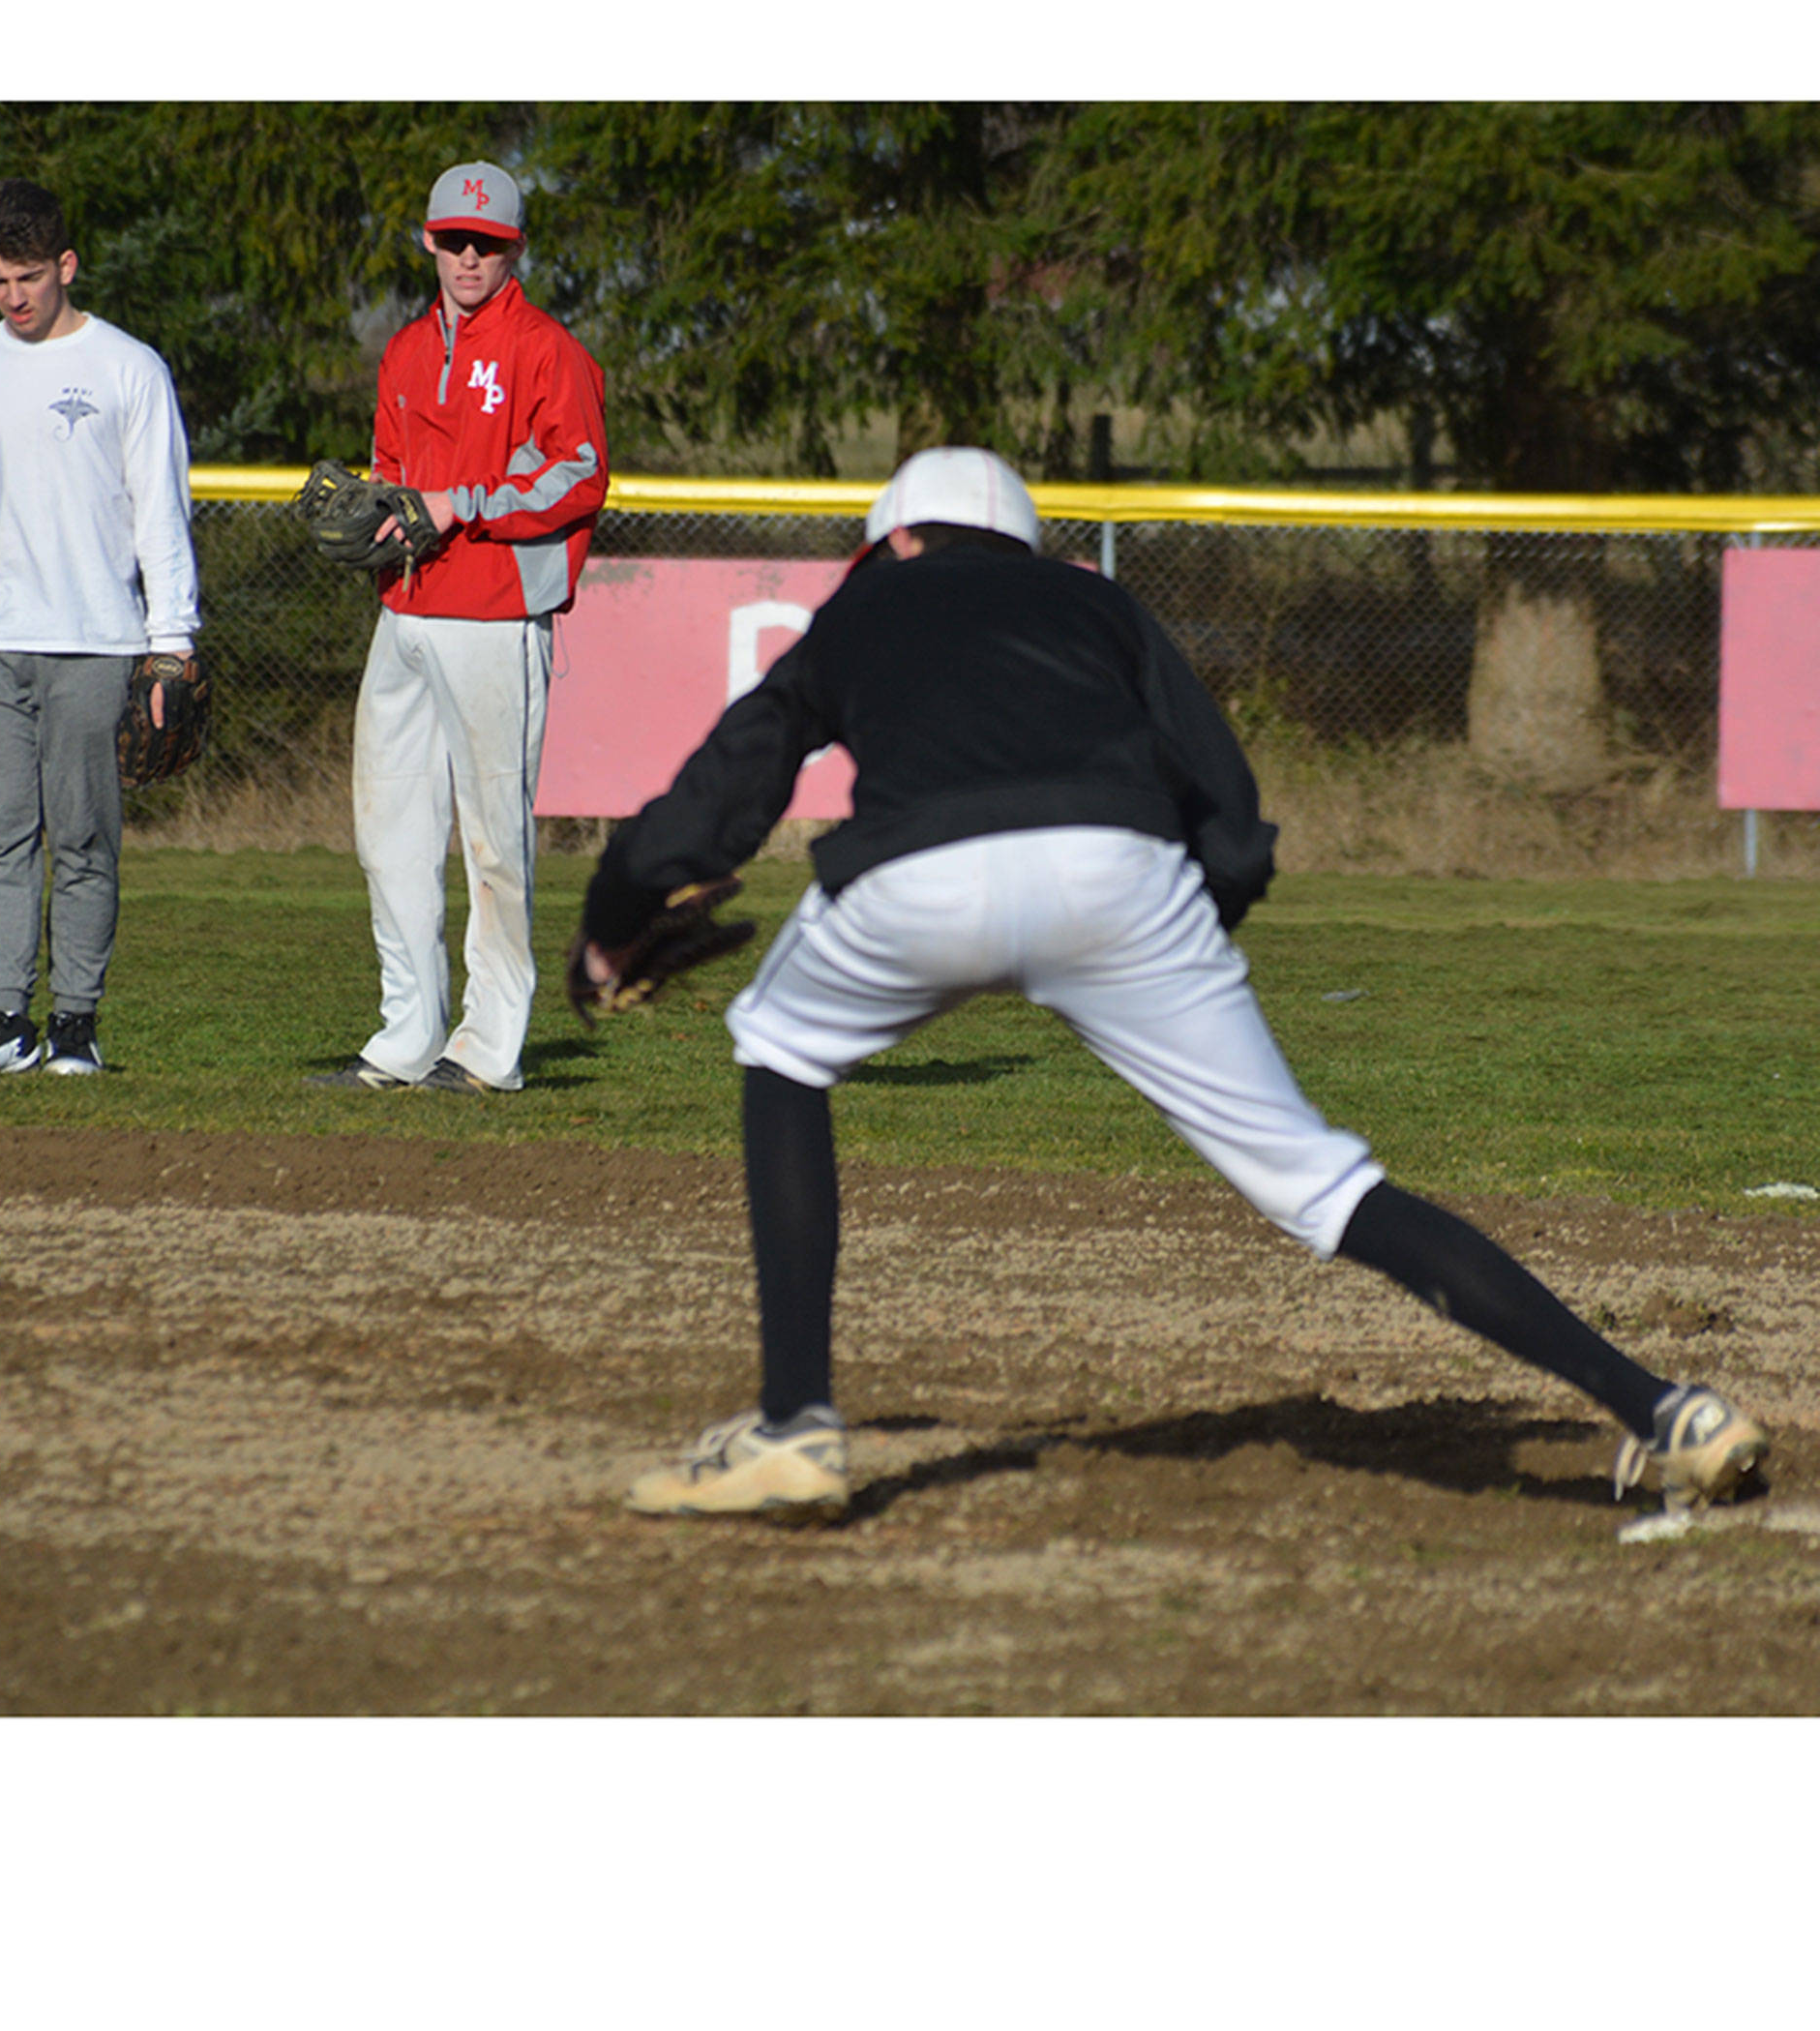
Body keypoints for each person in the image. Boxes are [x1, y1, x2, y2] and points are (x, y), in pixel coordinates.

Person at [578, 446, 1771, 1522]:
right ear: (1022, 544)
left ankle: (795, 1429)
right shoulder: (1094, 601)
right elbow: (1226, 804)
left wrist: (613, 923)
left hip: (913, 877)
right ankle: (1663, 1408)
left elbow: (727, 784)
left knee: (783, 1050)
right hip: (1121, 869)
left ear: (895, 536)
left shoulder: (867, 599)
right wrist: (1185, 917)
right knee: (1324, 1183)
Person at [0, 178, 203, 1078]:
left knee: (85, 836)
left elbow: (160, 517)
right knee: (0, 835)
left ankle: (75, 1025)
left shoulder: (128, 368)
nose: (12, 297)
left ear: (65, 264)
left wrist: (172, 641)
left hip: (97, 639)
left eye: (27, 276)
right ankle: (2, 1019)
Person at [313, 159, 609, 1094]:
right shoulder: (403, 352)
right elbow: (391, 473)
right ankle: (407, 1034)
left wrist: (460, 501)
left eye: (488, 242)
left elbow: (579, 475)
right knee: (390, 827)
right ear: (430, 244)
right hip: (404, 610)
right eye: (454, 240)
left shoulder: (548, 352)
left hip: (494, 613)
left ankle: (489, 1048)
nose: (469, 255)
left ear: (513, 248)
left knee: (493, 839)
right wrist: (379, 517)